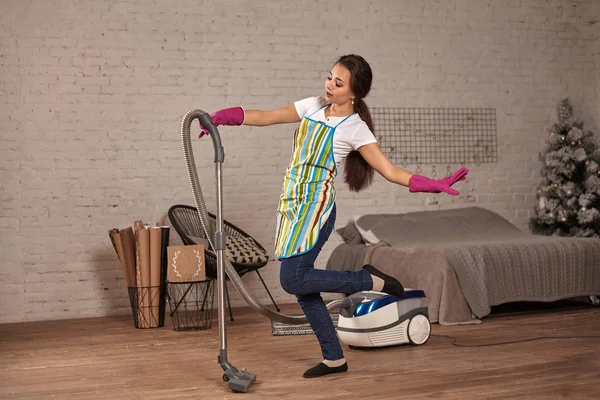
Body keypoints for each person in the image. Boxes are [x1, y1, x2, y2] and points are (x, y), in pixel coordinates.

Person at [199, 54, 468, 378]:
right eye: (329, 77)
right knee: (302, 286)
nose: (329, 85)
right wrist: (225, 117)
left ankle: (371, 280)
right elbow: (268, 116)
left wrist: (432, 184)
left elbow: (389, 170)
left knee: (291, 279)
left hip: (317, 210)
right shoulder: (313, 105)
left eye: (338, 83)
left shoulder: (356, 129)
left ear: (354, 93)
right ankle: (334, 358)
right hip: (292, 206)